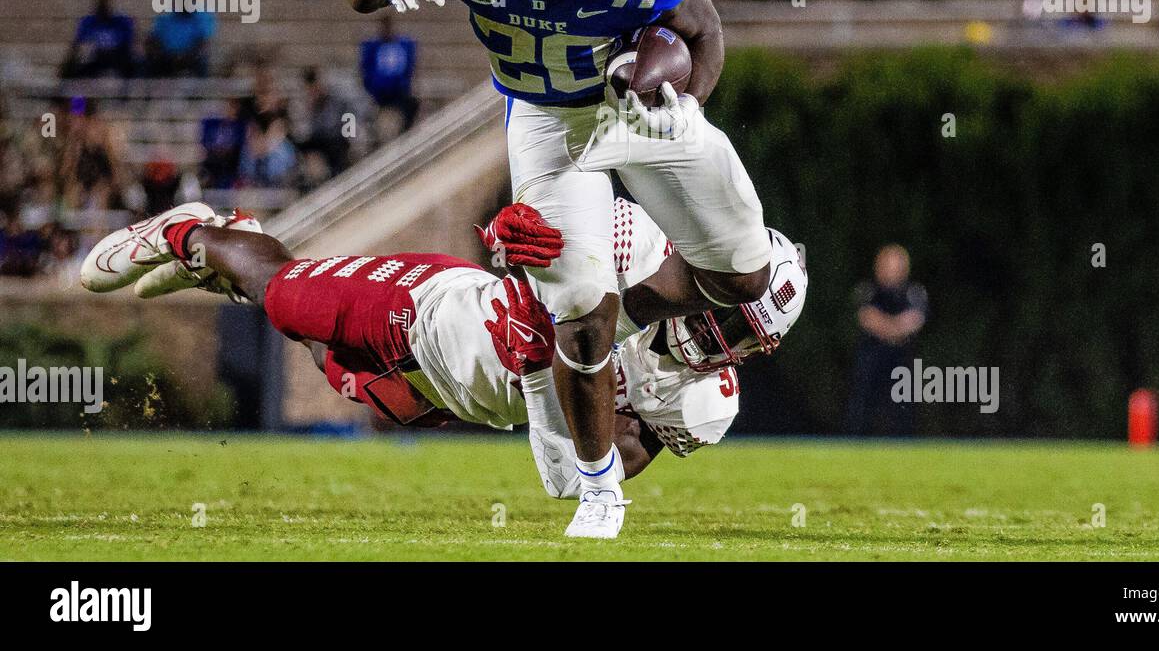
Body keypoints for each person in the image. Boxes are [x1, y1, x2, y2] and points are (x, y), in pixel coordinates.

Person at [341, 0, 776, 539]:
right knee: (578, 309)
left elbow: (705, 33)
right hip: (548, 123)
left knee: (748, 282)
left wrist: (686, 101)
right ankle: (600, 490)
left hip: (635, 109)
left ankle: (627, 323)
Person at [79, 197, 808, 505]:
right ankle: (193, 234)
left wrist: (538, 375)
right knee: (283, 297)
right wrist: (517, 244)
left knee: (324, 354)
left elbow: (593, 473)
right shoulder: (636, 249)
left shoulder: (702, 402)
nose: (716, 338)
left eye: (740, 337)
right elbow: (526, 229)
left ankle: (230, 258)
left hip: (449, 392)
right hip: (434, 314)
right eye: (725, 315)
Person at [847, 245, 928, 437]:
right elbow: (867, 318)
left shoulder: (914, 292)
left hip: (901, 360)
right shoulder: (868, 291)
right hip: (871, 357)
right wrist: (895, 329)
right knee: (861, 407)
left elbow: (915, 319)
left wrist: (887, 327)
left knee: (903, 409)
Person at [359, 14, 418, 131]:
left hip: (398, 91)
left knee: (412, 104)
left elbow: (408, 68)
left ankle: (405, 132)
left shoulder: (402, 45)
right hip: (378, 92)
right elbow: (366, 69)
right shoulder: (373, 47)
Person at [62, 0, 135, 78]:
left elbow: (129, 42)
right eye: (101, 7)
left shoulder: (121, 21)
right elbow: (79, 43)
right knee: (71, 66)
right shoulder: (88, 22)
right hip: (94, 58)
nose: (103, 10)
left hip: (117, 57)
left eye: (105, 7)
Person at [143, 6, 215, 76]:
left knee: (200, 60)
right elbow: (152, 39)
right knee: (150, 62)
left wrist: (185, 58)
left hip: (192, 57)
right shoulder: (165, 18)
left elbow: (204, 43)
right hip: (167, 57)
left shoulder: (202, 18)